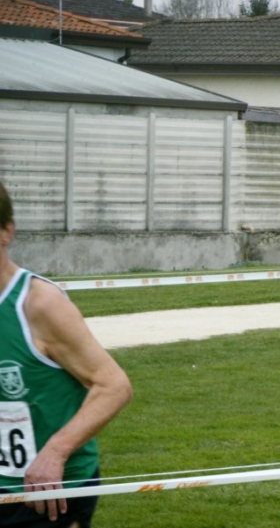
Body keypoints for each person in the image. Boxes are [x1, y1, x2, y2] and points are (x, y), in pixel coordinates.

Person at [0, 181, 133, 527]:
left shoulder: (38, 304)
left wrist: (55, 452)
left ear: (6, 232)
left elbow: (113, 385)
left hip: (48, 492)